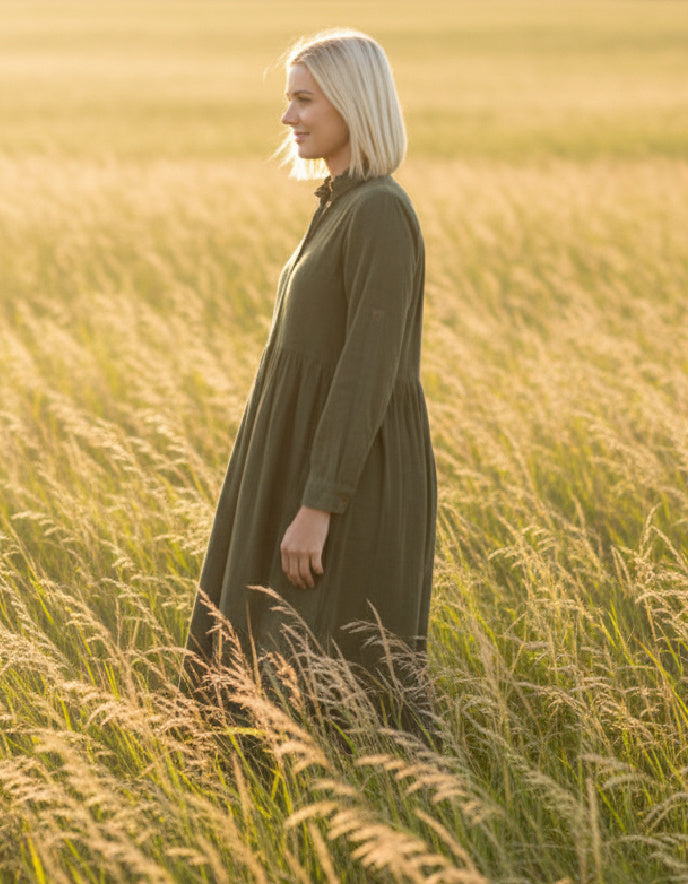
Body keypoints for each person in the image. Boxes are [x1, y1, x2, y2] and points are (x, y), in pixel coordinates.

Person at [180, 29, 436, 712]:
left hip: (346, 479)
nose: (287, 116)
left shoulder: (379, 212)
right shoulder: (339, 205)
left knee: (323, 671)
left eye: (303, 99)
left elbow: (366, 372)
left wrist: (319, 504)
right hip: (299, 461)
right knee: (262, 651)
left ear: (351, 104)